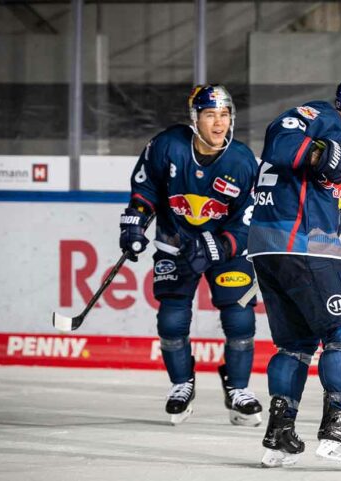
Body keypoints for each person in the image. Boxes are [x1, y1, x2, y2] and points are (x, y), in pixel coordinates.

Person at [246, 73, 341, 467]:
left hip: (269, 246)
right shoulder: (328, 119)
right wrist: (320, 153)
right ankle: (338, 425)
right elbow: (280, 136)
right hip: (304, 245)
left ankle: (279, 433)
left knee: (295, 344)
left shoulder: (338, 136)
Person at [118, 84, 262, 426]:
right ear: (194, 118)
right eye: (210, 114)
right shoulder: (167, 145)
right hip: (176, 242)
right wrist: (135, 224)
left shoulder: (242, 161)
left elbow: (250, 218)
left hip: (226, 248)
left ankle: (238, 389)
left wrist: (217, 246)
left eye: (224, 115)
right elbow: (146, 187)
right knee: (171, 321)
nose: (218, 123)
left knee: (240, 319)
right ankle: (182, 385)